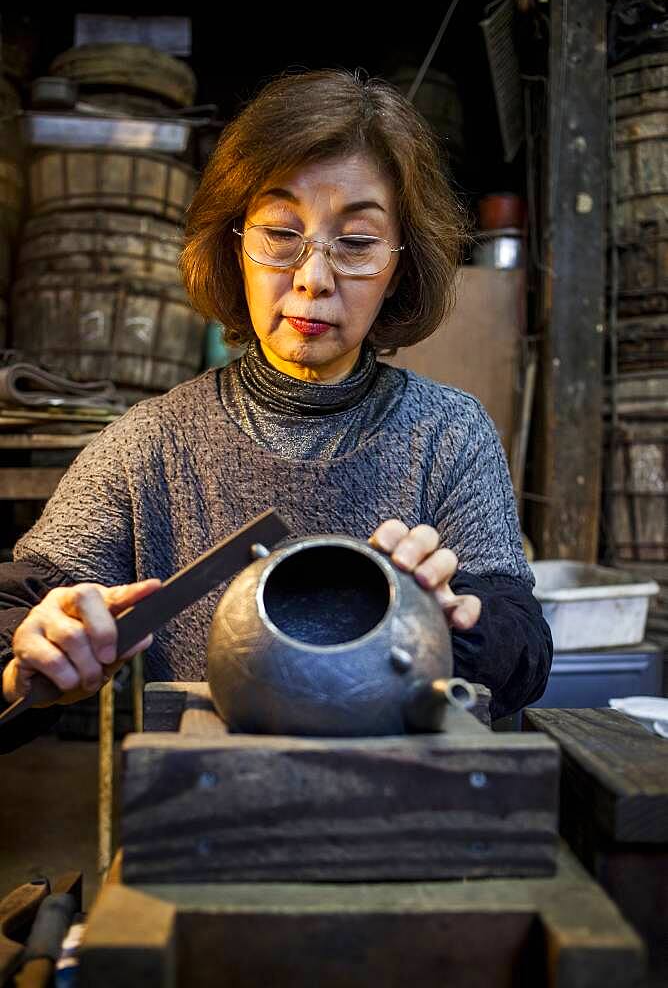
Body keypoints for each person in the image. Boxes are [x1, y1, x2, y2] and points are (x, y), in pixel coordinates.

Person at [0, 69, 552, 751]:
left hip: (402, 813)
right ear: (235, 244)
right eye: (281, 234)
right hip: (207, 819)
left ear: (400, 266)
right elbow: (14, 617)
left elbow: (524, 651)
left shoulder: (449, 435)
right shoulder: (151, 443)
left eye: (355, 243)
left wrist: (454, 628)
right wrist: (36, 652)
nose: (313, 278)